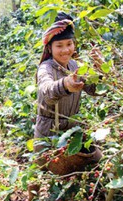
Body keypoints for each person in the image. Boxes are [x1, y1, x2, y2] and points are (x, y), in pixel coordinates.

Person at [33, 12, 103, 176]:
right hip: (48, 131)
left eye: (69, 44)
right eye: (59, 46)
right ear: (50, 48)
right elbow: (47, 91)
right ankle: (32, 200)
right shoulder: (46, 68)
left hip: (72, 129)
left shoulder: (75, 65)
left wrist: (100, 68)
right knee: (38, 173)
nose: (65, 50)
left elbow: (94, 91)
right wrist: (65, 84)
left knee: (97, 161)